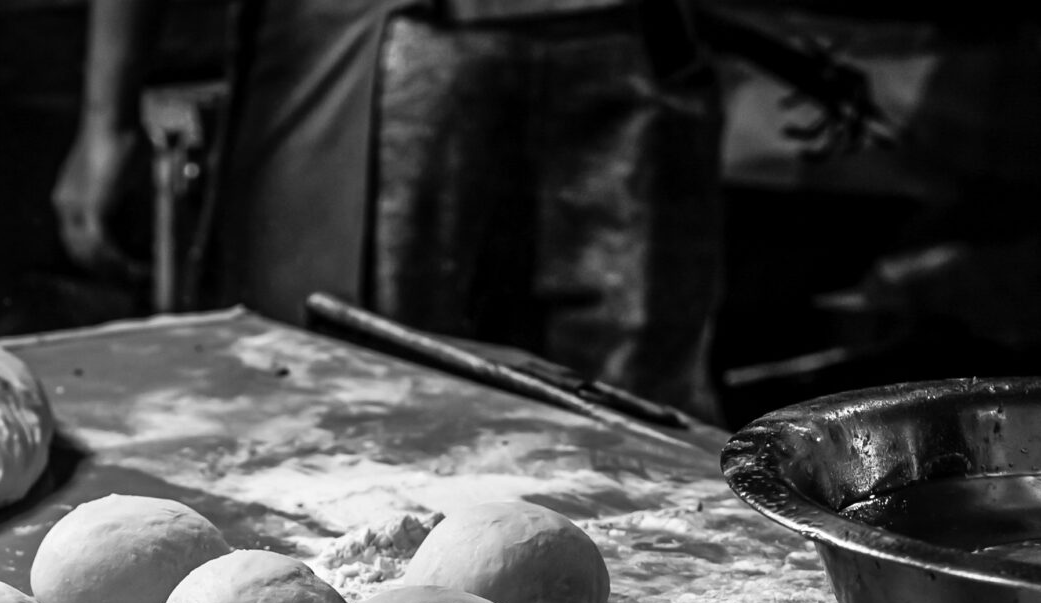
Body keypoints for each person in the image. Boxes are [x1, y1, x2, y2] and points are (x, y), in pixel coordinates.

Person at [54, 0, 726, 418]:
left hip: (425, 55)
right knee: (636, 435)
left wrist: (106, 119)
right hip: (619, 48)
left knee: (356, 424)